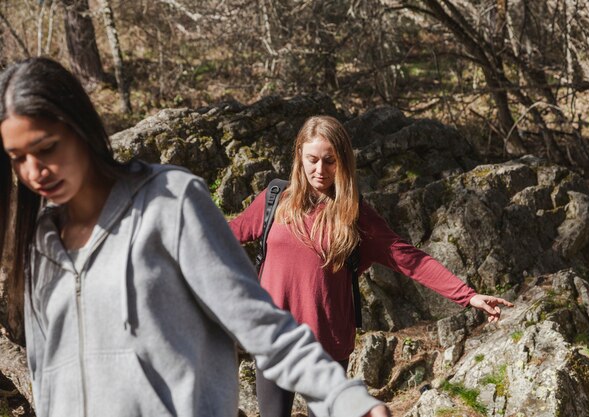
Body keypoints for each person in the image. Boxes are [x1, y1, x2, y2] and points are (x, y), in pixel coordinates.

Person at [0, 57, 391, 417]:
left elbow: (259, 321)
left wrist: (345, 398)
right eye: (17, 158)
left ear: (80, 128)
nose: (34, 171)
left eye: (46, 148)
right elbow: (47, 373)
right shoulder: (39, 244)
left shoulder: (169, 203)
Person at [229, 115, 514, 417]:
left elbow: (410, 259)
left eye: (330, 161)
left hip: (325, 348)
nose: (320, 170)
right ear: (299, 155)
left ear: (343, 162)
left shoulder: (355, 215)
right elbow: (224, 237)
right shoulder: (274, 199)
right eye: (312, 159)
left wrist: (468, 296)